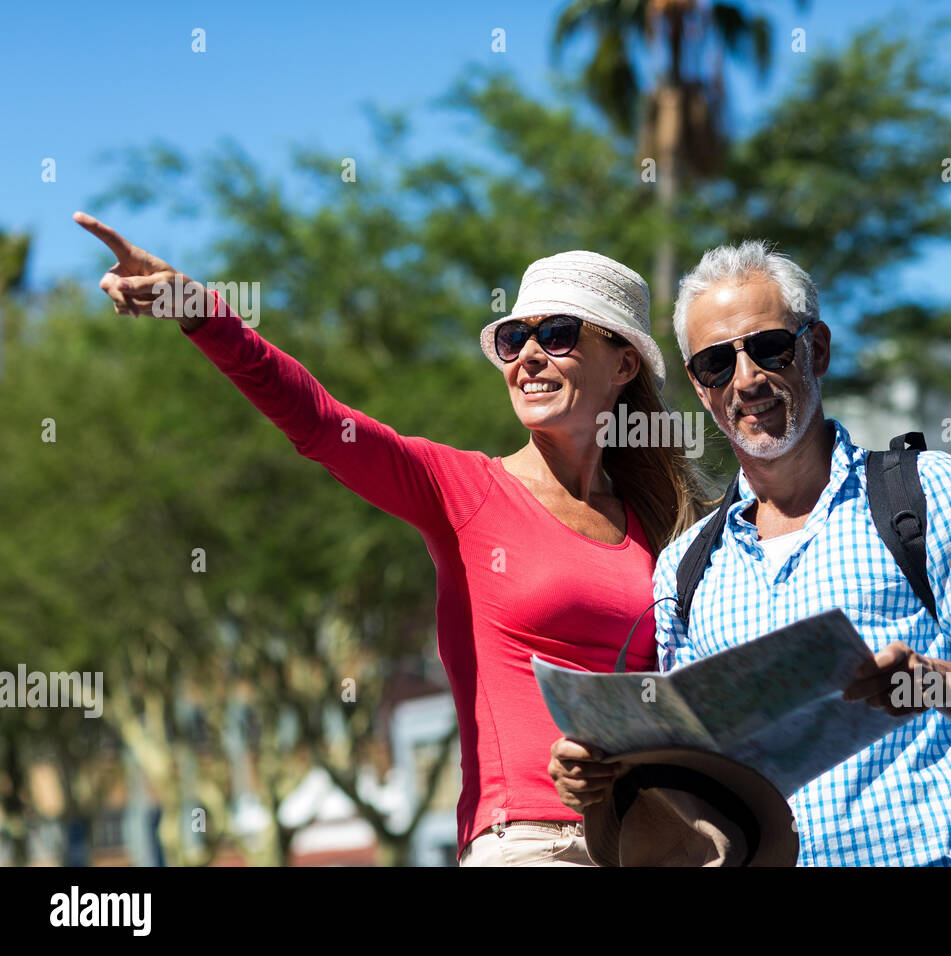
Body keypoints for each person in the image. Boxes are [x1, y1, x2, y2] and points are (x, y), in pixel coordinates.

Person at [74, 211, 708, 866]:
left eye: (557, 333)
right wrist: (196, 308)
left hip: (648, 847)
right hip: (527, 842)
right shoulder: (465, 491)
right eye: (514, 338)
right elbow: (320, 423)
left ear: (624, 362)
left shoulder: (657, 527)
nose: (528, 356)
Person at [550, 240, 951, 866]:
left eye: (768, 347)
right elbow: (693, 780)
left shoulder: (927, 492)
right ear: (700, 389)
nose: (746, 378)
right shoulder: (685, 570)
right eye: (715, 363)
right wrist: (600, 778)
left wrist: (935, 684)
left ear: (816, 350)